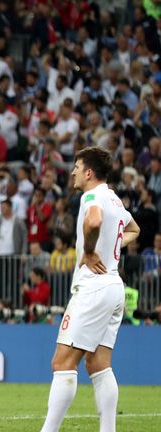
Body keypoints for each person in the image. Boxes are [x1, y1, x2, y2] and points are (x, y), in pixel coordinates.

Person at [41, 147, 140, 432]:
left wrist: (92, 250)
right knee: (98, 365)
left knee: (62, 363)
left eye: (76, 166)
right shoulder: (114, 199)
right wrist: (111, 246)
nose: (72, 171)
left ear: (88, 172)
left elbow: (94, 221)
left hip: (93, 286)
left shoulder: (92, 196)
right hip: (114, 286)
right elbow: (134, 229)